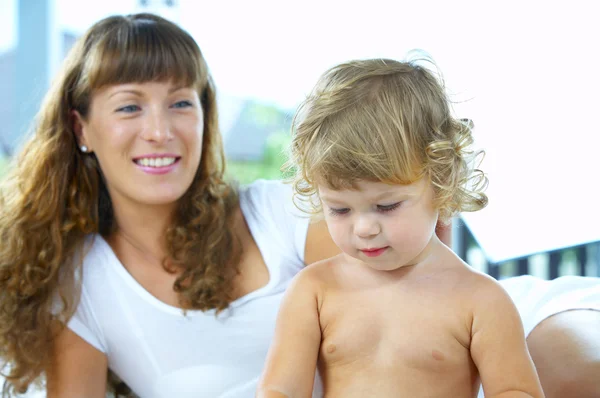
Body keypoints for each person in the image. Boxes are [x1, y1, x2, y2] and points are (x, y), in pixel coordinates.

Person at [0, 12, 597, 398]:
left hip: (471, 335)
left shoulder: (279, 212)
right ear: (81, 126)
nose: (160, 130)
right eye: (130, 106)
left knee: (574, 360)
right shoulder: (82, 284)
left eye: (181, 103)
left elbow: (405, 286)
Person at [256, 57, 546, 398]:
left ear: (441, 183)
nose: (363, 227)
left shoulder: (480, 301)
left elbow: (516, 391)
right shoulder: (314, 291)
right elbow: (280, 390)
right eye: (339, 208)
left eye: (386, 206)